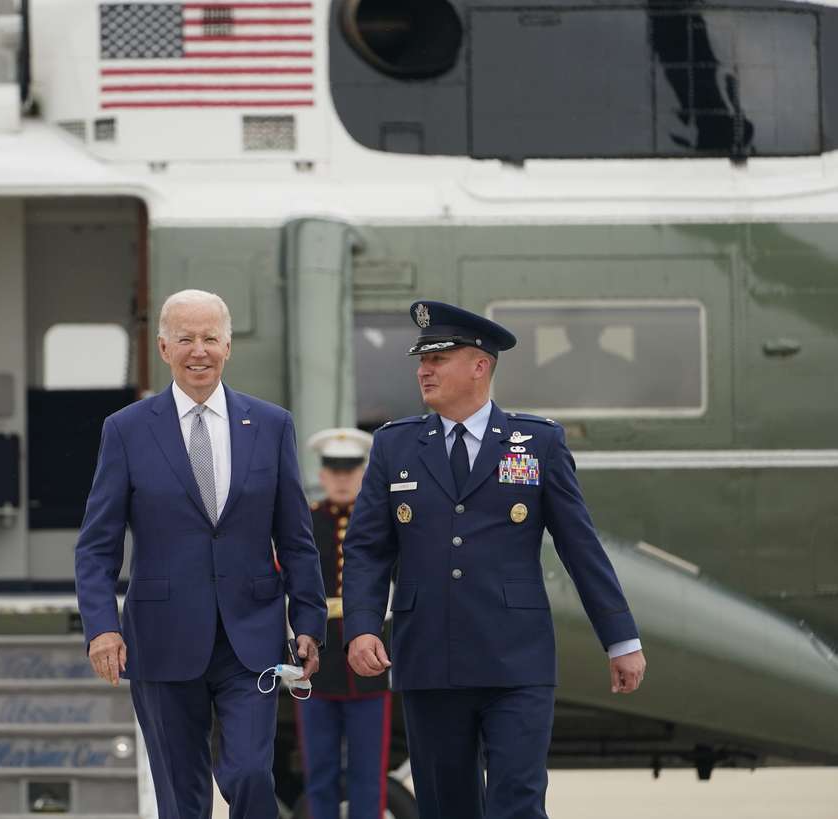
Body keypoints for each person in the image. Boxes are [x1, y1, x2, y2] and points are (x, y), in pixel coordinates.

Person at [342, 301, 647, 819]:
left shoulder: (539, 442)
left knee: (518, 803)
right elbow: (368, 548)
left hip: (516, 660)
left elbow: (581, 547)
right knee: (447, 807)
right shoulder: (394, 446)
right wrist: (363, 626)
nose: (423, 370)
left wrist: (621, 639)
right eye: (422, 359)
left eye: (438, 358)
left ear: (479, 365)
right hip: (429, 660)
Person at [75, 288, 327, 819]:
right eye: (185, 339)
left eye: (210, 338)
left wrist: (309, 622)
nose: (199, 350)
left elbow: (297, 538)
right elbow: (97, 545)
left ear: (228, 346)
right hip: (162, 639)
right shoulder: (125, 430)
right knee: (181, 799)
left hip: (250, 638)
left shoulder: (271, 424)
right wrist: (102, 627)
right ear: (163, 348)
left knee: (250, 773)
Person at [298, 427, 392, 819]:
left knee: (368, 771)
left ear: (363, 472)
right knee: (318, 771)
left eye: (349, 469)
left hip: (369, 658)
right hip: (316, 658)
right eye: (333, 470)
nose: (340, 478)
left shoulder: (380, 523)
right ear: (321, 475)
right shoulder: (304, 522)